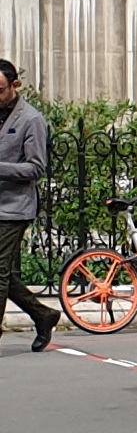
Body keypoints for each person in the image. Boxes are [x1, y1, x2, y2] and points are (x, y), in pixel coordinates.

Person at [0, 59, 59, 349]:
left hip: (13, 207)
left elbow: (36, 168)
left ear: (15, 86)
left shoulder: (31, 119)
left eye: (0, 90)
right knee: (3, 274)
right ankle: (43, 314)